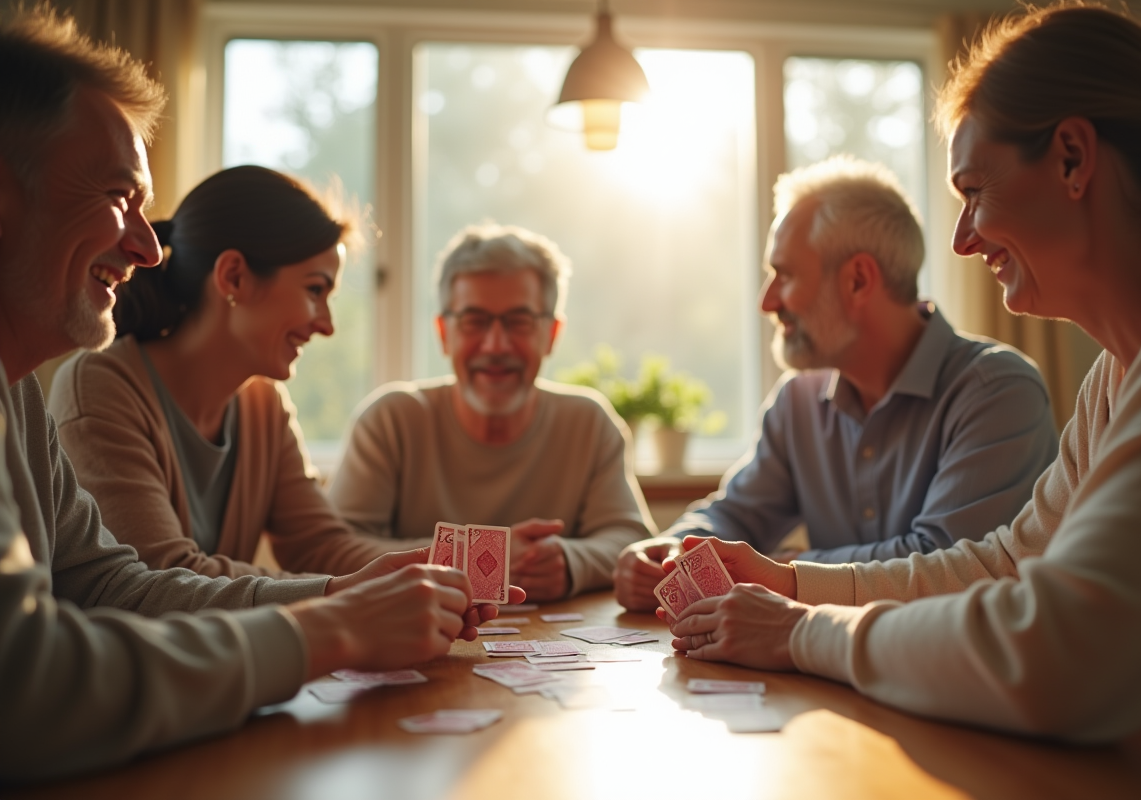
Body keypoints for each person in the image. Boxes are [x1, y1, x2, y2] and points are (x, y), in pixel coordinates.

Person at [0, 10, 521, 782]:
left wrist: (356, 590)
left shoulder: (20, 397)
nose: (148, 248)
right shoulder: (92, 386)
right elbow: (26, 684)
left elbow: (110, 584)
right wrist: (330, 626)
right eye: (120, 195)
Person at [665, 2, 1141, 742]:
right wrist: (785, 583)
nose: (960, 240)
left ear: (1073, 158)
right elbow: (1011, 560)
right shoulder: (1122, 371)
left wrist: (800, 632)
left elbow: (1056, 651)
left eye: (974, 190)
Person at [614, 155, 1058, 611]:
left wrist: (786, 571)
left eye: (784, 275)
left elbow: (947, 567)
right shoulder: (797, 401)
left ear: (858, 280)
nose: (767, 302)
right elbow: (735, 514)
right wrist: (673, 551)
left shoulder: (999, 391)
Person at [47, 165, 406, 579]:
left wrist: (445, 562)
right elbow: (161, 581)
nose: (327, 325)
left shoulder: (264, 405)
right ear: (233, 276)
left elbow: (322, 547)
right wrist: (347, 595)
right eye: (314, 290)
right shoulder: (99, 389)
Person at [330, 223, 654, 601]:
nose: (496, 344)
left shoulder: (589, 422)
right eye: (474, 320)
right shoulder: (390, 420)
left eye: (518, 321)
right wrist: (478, 559)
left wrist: (569, 560)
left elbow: (632, 538)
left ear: (551, 334)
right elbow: (334, 550)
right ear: (443, 333)